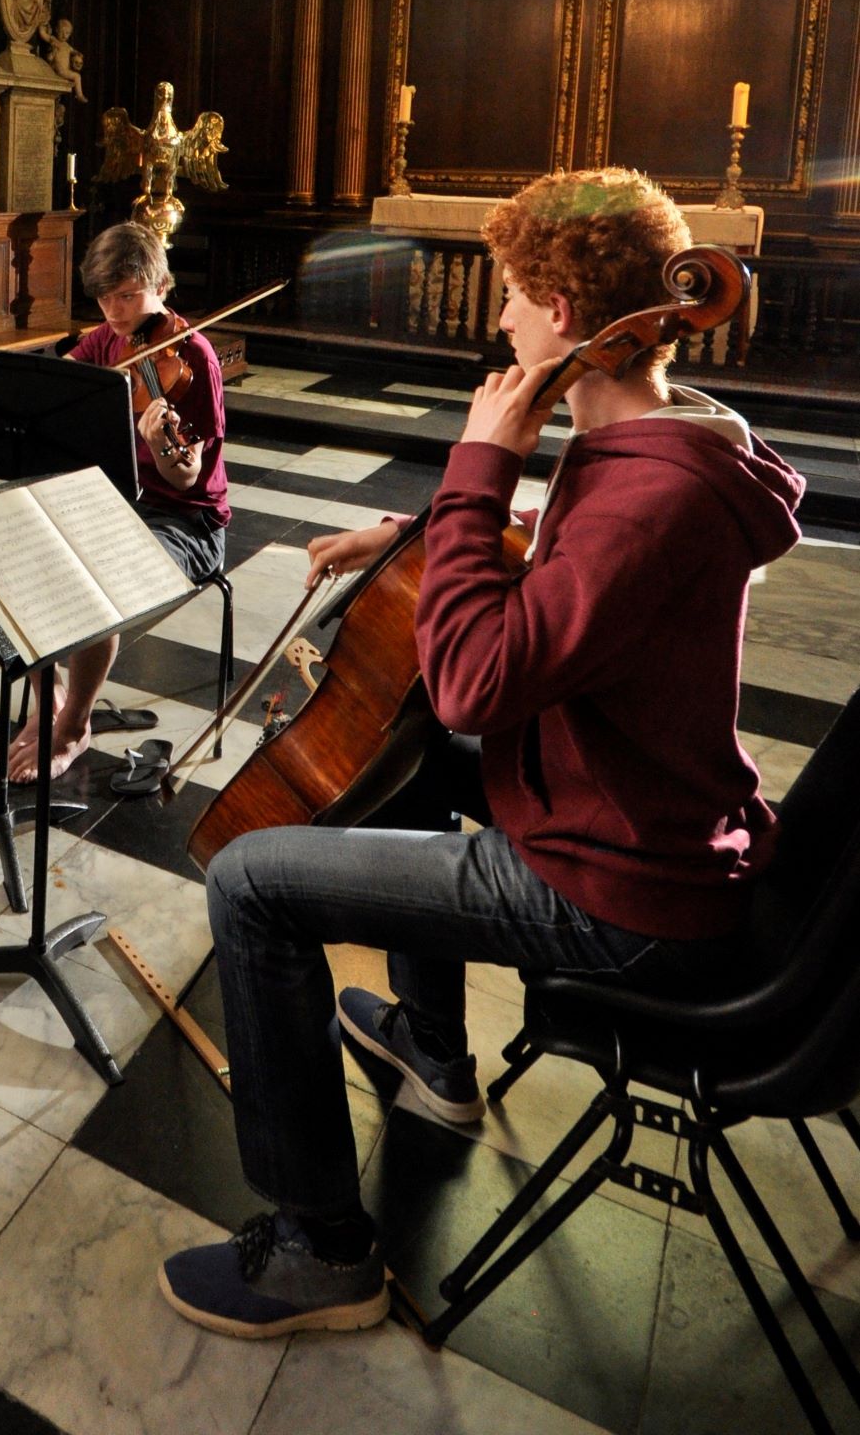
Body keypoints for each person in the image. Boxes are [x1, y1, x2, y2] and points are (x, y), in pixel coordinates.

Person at [159, 168, 804, 1339]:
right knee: (422, 752)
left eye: (511, 293)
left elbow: (472, 670)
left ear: (563, 307)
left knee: (249, 882)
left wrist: (476, 464)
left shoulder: (645, 495)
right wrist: (411, 533)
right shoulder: (675, 441)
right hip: (640, 813)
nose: (498, 317)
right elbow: (569, 574)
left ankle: (316, 1247)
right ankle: (432, 1053)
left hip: (615, 886)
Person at [6, 220, 229, 781]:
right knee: (14, 542)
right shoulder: (108, 340)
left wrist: (160, 445)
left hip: (185, 521)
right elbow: (69, 378)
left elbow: (187, 481)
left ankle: (76, 724)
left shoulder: (194, 358)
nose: (114, 310)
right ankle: (48, 695)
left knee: (95, 575)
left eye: (127, 295)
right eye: (104, 297)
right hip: (116, 500)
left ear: (160, 284)